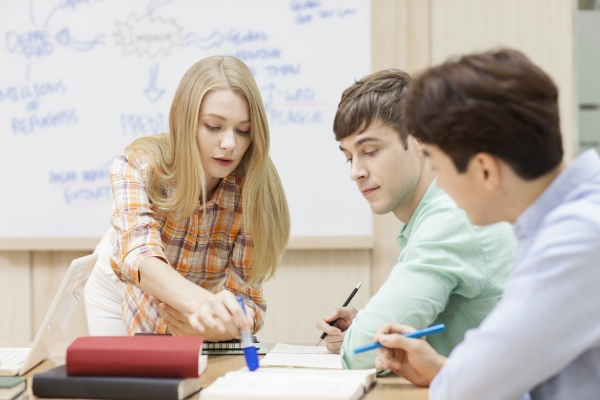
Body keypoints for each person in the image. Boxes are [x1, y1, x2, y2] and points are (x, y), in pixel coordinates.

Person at [373, 48, 600, 400]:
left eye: (436, 163)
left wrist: (458, 376)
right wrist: (445, 370)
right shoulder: (559, 220)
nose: (441, 183)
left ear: (484, 170)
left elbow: (471, 388)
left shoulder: (578, 238)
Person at [315, 69, 516, 369]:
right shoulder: (444, 207)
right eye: (348, 156)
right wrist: (362, 329)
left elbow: (365, 350)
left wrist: (360, 336)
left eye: (370, 151)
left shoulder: (451, 217)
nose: (355, 171)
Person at [84, 55, 290, 340]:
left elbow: (248, 300)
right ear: (184, 121)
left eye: (243, 131)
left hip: (194, 300)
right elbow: (139, 255)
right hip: (119, 280)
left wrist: (221, 328)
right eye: (214, 126)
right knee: (120, 378)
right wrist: (204, 305)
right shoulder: (138, 164)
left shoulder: (252, 188)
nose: (229, 144)